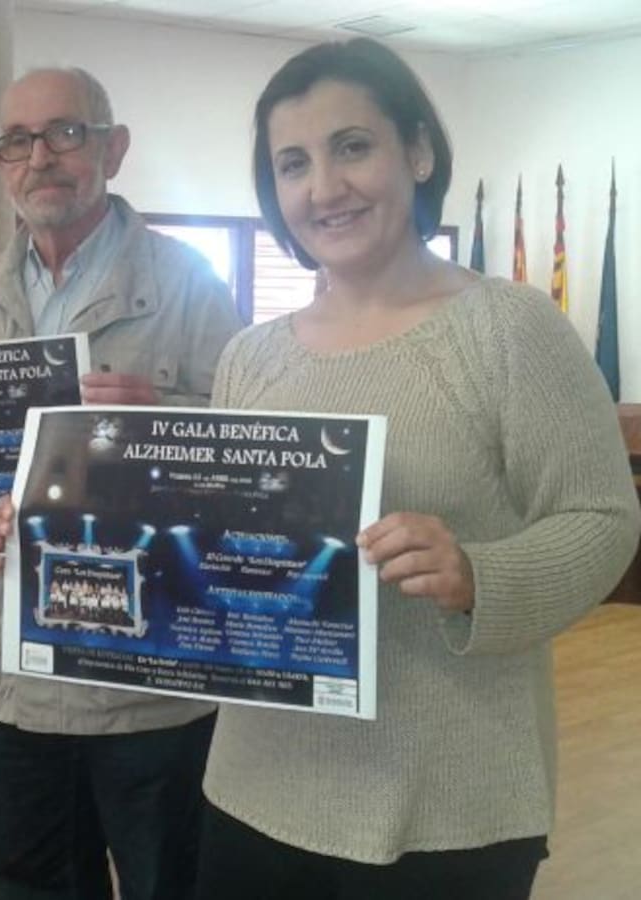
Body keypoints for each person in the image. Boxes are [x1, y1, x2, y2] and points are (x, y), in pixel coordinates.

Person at [191, 38, 641, 899]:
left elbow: (603, 518)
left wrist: (479, 575)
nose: (324, 187)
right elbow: (213, 544)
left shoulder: (508, 329)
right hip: (255, 787)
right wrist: (51, 536)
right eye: (294, 163)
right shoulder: (250, 356)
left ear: (419, 151)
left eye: (352, 146)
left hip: (448, 801)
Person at [0, 68, 240, 900]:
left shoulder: (190, 285)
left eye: (66, 133)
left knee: (164, 882)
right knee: (31, 881)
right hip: (13, 670)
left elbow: (251, 465)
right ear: (1, 163)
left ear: (113, 150)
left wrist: (163, 419)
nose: (40, 157)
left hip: (145, 676)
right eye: (18, 141)